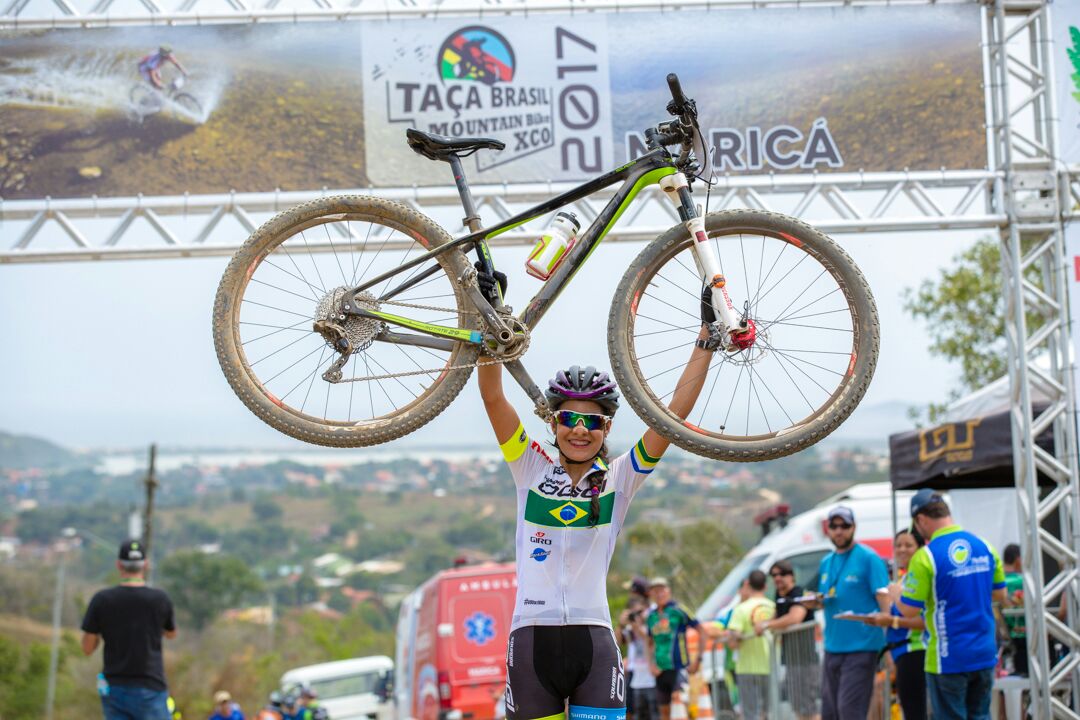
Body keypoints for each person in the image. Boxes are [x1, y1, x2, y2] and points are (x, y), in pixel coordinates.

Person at [477, 267, 714, 720]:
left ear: (607, 428)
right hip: (531, 641)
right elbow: (493, 396)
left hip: (595, 643)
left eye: (593, 422)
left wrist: (706, 339)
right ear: (553, 424)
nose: (580, 430)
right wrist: (487, 317)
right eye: (569, 419)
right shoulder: (529, 468)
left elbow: (672, 416)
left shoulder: (620, 479)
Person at [899, 490, 1006, 720]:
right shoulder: (984, 546)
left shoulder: (925, 556)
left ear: (921, 520)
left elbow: (908, 610)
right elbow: (1000, 594)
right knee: (981, 715)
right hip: (984, 653)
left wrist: (896, 593)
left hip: (947, 658)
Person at [806, 506, 891, 720]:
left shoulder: (868, 557)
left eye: (844, 526)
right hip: (832, 647)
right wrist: (815, 602)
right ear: (828, 530)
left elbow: (884, 599)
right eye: (834, 526)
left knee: (849, 711)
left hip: (862, 647)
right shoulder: (826, 562)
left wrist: (890, 642)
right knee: (830, 713)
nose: (839, 531)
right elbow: (828, 597)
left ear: (854, 527)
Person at [81, 539, 177, 720]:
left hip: (114, 686)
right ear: (145, 565)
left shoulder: (102, 600)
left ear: (119, 565)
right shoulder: (160, 599)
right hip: (150, 684)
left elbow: (87, 648)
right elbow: (171, 633)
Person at [864, 529, 927, 720]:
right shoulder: (904, 579)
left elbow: (925, 621)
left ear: (920, 548)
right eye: (898, 545)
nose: (902, 550)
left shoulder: (918, 580)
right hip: (901, 653)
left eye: (908, 545)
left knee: (916, 712)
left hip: (916, 651)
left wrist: (891, 620)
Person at [754, 560, 820, 720]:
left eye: (782, 574)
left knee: (808, 707)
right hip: (791, 659)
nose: (777, 578)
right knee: (797, 705)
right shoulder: (779, 595)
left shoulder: (798, 593)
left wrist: (767, 625)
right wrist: (764, 624)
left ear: (791, 576)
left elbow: (795, 617)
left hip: (805, 658)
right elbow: (777, 616)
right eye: (774, 575)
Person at [646, 578, 702, 720]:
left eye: (662, 590)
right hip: (660, 670)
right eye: (655, 591)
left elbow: (702, 631)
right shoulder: (651, 616)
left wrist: (698, 659)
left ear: (668, 591)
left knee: (682, 705)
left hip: (679, 667)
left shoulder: (679, 610)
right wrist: (651, 665)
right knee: (664, 712)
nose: (659, 594)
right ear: (651, 594)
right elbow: (649, 642)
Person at [721, 571, 774, 720]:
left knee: (751, 714)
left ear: (748, 585)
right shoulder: (773, 606)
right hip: (770, 665)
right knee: (768, 712)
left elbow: (733, 641)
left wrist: (736, 638)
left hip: (747, 668)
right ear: (765, 586)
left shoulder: (741, 609)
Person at [623, 597, 659, 720]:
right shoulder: (631, 630)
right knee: (638, 714)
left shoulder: (651, 626)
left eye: (640, 612)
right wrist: (623, 624)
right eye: (634, 613)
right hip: (637, 680)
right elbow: (625, 642)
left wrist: (636, 625)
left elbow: (648, 640)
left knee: (654, 714)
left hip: (651, 680)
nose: (637, 615)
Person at [1001, 543, 1027, 676]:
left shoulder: (995, 580)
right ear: (1018, 559)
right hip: (1022, 635)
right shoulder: (1023, 581)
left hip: (999, 636)